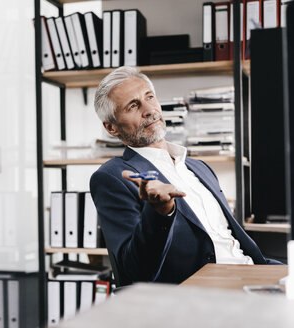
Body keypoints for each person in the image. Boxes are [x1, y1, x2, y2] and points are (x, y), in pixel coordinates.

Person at [90, 66, 281, 286]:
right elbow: (135, 270)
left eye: (149, 97)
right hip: (201, 290)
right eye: (133, 106)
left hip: (251, 272)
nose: (149, 110)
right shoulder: (112, 177)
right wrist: (160, 213)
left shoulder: (199, 168)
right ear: (111, 128)